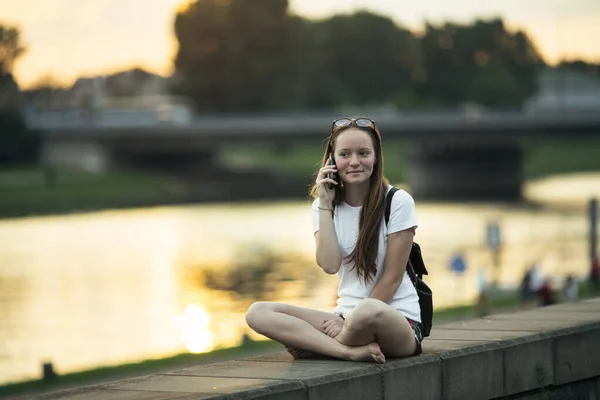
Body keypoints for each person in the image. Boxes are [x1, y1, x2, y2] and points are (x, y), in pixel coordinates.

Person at [245, 117, 422, 364]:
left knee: (367, 311)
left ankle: (321, 346)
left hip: (394, 319)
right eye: (345, 154)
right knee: (258, 313)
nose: (354, 162)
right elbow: (329, 265)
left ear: (376, 158)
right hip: (343, 319)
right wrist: (326, 204)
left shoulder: (398, 201)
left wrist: (347, 323)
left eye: (363, 153)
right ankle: (347, 351)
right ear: (332, 160)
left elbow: (392, 279)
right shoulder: (323, 207)